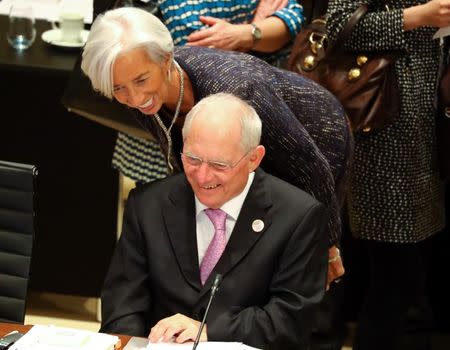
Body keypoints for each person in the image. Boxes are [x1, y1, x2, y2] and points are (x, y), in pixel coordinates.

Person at [81, 6, 351, 289]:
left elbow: (310, 165)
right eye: (118, 88)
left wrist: (329, 246)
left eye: (141, 80)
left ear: (166, 59)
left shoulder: (239, 91)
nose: (134, 98)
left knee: (295, 261)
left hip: (317, 135)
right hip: (250, 157)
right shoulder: (143, 93)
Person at [100, 93, 329, 349]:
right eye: (193, 159)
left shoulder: (298, 216)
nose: (202, 176)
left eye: (220, 164)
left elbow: (292, 319)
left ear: (254, 158)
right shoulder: (148, 204)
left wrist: (210, 330)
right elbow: (122, 306)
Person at [326, 0, 450, 349]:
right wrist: (417, 17)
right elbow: (336, 27)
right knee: (394, 272)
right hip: (383, 123)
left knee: (413, 267)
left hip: (428, 119)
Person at [112, 0, 304, 186]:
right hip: (160, 119)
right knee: (164, 204)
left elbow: (292, 16)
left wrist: (247, 33)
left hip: (250, 112)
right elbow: (128, 36)